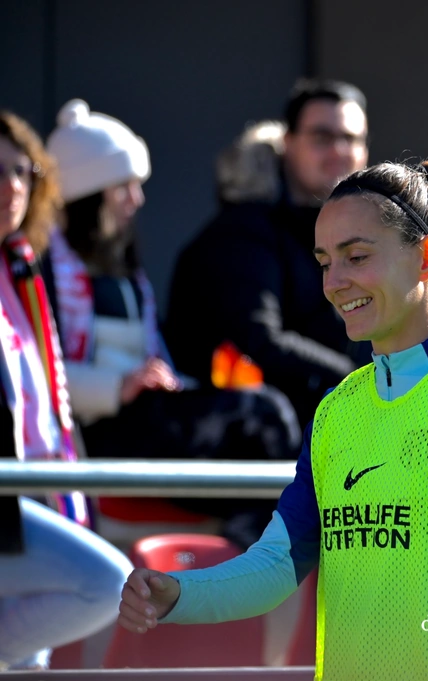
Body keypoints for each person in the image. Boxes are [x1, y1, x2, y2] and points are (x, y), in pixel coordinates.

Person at [117, 160, 428, 680]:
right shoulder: (337, 408)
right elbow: (277, 563)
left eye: (357, 256)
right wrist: (180, 594)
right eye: (325, 261)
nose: (335, 282)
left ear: (426, 257)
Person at [44, 99, 301, 548]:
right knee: (265, 415)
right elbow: (36, 374)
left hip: (147, 416)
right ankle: (258, 547)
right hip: (98, 433)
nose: (136, 200)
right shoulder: (44, 268)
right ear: (89, 192)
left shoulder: (123, 267)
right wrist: (118, 385)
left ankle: (254, 540)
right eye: (123, 187)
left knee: (265, 413)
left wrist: (169, 383)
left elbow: (151, 353)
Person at [0, 110, 133, 671]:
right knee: (107, 583)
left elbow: (43, 401)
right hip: (9, 497)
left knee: (31, 662)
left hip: (32, 490)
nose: (11, 185)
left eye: (21, 171)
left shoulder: (20, 267)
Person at [164, 78, 372, 425]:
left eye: (351, 139)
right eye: (322, 137)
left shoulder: (355, 231)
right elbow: (258, 340)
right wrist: (362, 379)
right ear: (287, 143)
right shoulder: (244, 230)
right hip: (257, 453)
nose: (339, 151)